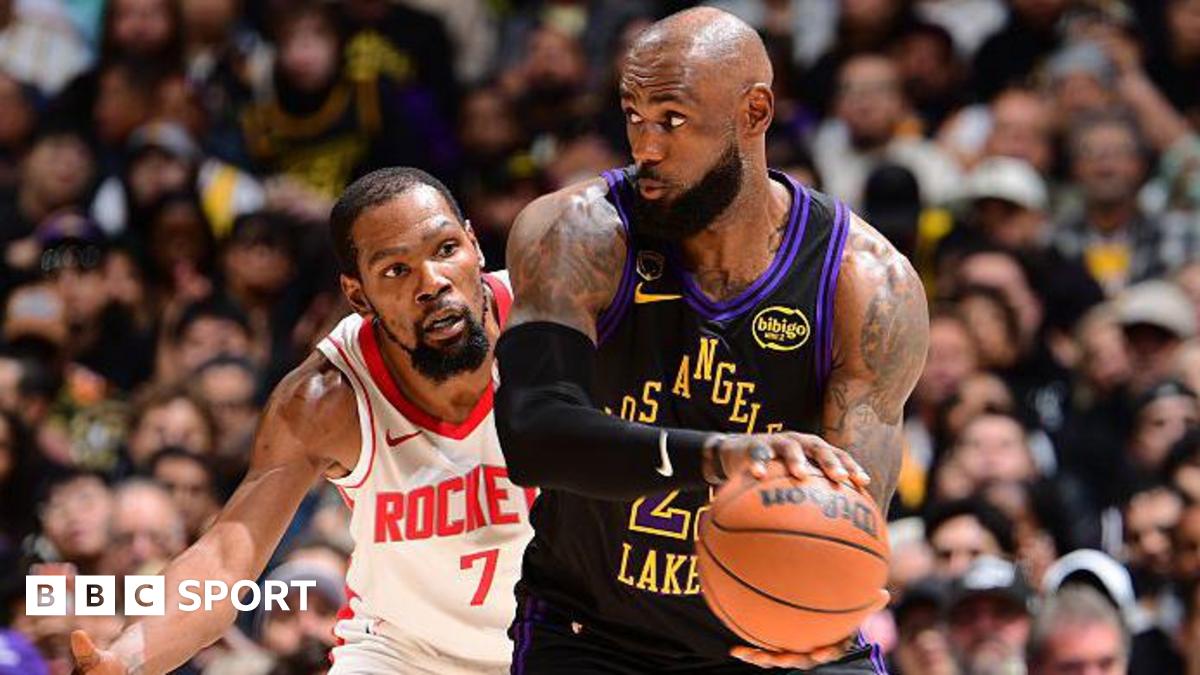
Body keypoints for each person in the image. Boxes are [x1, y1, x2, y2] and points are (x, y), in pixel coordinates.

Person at [495, 8, 928, 672]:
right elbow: (534, 433)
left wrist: (814, 614)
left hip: (772, 634)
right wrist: (720, 455)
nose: (645, 147)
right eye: (633, 116)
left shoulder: (863, 283)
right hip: (595, 632)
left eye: (672, 120)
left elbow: (850, 512)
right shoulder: (579, 233)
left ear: (754, 113)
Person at [70, 167, 534, 674]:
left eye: (445, 249)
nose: (431, 282)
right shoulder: (326, 397)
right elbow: (225, 561)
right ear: (358, 296)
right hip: (402, 655)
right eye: (395, 270)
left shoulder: (555, 327)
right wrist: (129, 658)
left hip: (558, 639)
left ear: (474, 244)